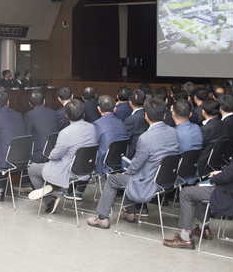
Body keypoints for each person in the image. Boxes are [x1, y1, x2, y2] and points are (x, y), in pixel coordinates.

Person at [163, 108, 233, 249]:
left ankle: (186, 238)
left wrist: (215, 178)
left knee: (187, 193)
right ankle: (203, 228)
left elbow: (227, 177)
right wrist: (222, 174)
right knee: (199, 188)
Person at [88, 98, 180, 228]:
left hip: (148, 182)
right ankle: (129, 213)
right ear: (164, 116)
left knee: (114, 179)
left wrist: (128, 170)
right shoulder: (174, 132)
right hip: (166, 180)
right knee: (132, 175)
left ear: (146, 116)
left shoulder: (145, 138)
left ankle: (102, 218)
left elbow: (136, 166)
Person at [28, 99, 98, 213]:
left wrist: (51, 158)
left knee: (32, 169)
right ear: (84, 114)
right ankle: (49, 187)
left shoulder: (66, 133)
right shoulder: (92, 127)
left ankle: (49, 201)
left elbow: (55, 155)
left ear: (66, 116)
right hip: (86, 170)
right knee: (49, 165)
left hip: (69, 171)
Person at [23, 90, 60, 165]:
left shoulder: (29, 115)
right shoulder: (54, 113)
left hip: (39, 155)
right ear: (44, 101)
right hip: (55, 152)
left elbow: (28, 136)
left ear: (30, 104)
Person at [197, 98, 228, 176]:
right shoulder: (226, 124)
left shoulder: (204, 129)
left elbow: (198, 148)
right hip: (220, 160)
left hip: (204, 164)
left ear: (203, 112)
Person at [124, 89, 149, 158]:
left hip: (133, 155)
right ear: (144, 103)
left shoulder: (130, 120)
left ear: (130, 103)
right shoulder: (148, 115)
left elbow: (125, 139)